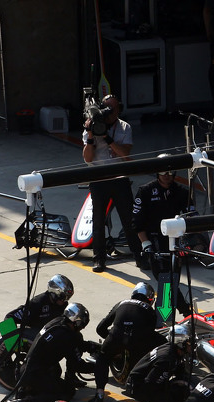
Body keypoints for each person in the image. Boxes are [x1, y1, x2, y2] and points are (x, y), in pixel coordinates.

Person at [82, 94, 142, 272]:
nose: (109, 113)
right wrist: (92, 134)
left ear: (118, 110)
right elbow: (87, 159)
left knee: (128, 219)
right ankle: (98, 258)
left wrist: (107, 137)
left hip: (119, 178)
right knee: (98, 221)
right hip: (98, 178)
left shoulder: (124, 127)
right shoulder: (91, 126)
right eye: (106, 108)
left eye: (113, 109)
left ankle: (139, 255)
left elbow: (125, 154)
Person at [132, 158, 195, 316]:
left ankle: (164, 315)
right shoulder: (145, 191)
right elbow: (137, 221)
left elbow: (192, 217)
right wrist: (145, 243)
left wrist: (191, 239)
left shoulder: (182, 192)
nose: (166, 176)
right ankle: (185, 312)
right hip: (154, 241)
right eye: (162, 172)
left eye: (169, 172)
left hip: (176, 241)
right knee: (165, 278)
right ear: (157, 173)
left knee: (171, 279)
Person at [89, 282, 167, 402]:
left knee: (103, 359)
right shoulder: (149, 310)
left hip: (116, 337)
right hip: (138, 342)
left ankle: (99, 393)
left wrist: (111, 338)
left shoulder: (120, 304)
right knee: (164, 345)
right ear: (150, 299)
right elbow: (150, 333)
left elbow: (100, 328)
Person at [10, 303, 97, 402]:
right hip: (33, 373)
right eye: (82, 325)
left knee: (57, 372)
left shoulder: (58, 321)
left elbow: (72, 343)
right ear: (77, 322)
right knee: (67, 392)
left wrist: (90, 346)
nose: (82, 328)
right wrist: (97, 367)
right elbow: (78, 365)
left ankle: (27, 389)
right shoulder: (39, 303)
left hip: (30, 368)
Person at [123, 325, 192, 402]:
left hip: (148, 382)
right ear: (180, 343)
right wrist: (171, 386)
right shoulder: (166, 358)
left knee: (173, 395)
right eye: (188, 343)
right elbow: (151, 382)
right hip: (139, 385)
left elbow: (180, 372)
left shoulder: (175, 353)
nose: (191, 346)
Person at [5, 274, 74, 329]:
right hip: (35, 340)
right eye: (63, 297)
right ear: (54, 293)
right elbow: (8, 318)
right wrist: (14, 344)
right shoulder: (37, 303)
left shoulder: (63, 305)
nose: (65, 300)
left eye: (68, 297)